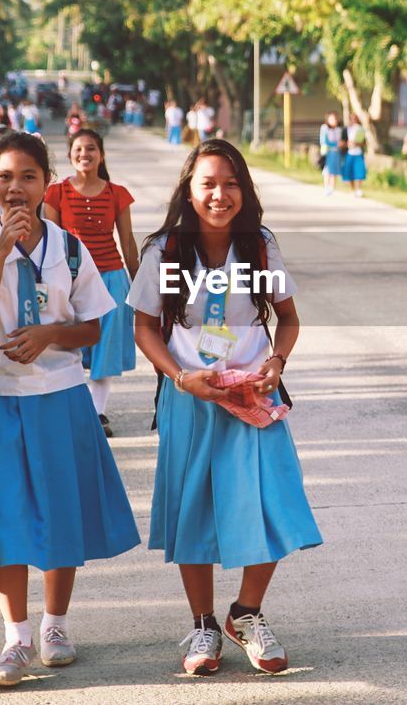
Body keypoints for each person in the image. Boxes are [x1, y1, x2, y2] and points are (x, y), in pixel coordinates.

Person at [127, 139, 321, 677]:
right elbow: (143, 326)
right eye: (208, 183)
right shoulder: (163, 250)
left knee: (274, 502)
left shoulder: (259, 246)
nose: (220, 194)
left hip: (254, 396)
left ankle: (246, 613)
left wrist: (276, 363)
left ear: (245, 190)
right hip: (190, 399)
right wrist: (182, 377)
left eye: (231, 183)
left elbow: (289, 318)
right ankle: (204, 625)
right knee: (194, 511)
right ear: (188, 191)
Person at [0, 131, 140, 686]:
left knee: (62, 509)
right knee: (6, 513)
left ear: (46, 183)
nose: (16, 188)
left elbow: (91, 325)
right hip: (2, 398)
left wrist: (48, 335)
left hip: (61, 398)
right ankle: (14, 637)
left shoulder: (66, 246)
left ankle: (54, 625)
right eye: (6, 177)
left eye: (29, 177)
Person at [43, 129, 138, 436]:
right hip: (70, 279)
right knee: (69, 345)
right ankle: (73, 407)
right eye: (79, 149)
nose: (85, 154)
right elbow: (50, 241)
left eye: (91, 149)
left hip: (112, 278)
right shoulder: (55, 193)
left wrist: (141, 286)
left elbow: (127, 242)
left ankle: (97, 413)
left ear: (102, 154)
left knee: (106, 347)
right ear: (70, 154)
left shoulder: (117, 193)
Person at [318, 111, 344, 195]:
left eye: (335, 119)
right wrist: (336, 144)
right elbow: (325, 141)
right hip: (328, 152)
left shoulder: (338, 129)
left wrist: (341, 144)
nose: (334, 120)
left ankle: (332, 188)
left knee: (334, 171)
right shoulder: (325, 128)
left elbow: (340, 141)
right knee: (327, 170)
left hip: (336, 152)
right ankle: (326, 187)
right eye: (332, 119)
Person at [342, 114, 367, 196]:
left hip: (358, 153)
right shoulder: (346, 130)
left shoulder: (360, 129)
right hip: (349, 153)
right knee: (349, 173)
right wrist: (346, 144)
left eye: (355, 119)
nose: (353, 121)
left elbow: (364, 143)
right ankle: (353, 190)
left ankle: (358, 189)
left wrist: (356, 144)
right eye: (351, 119)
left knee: (359, 172)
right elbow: (342, 141)